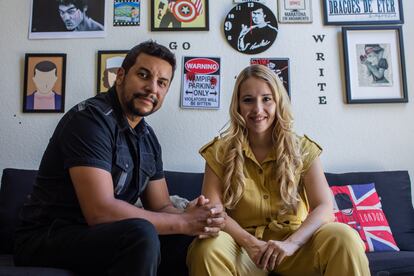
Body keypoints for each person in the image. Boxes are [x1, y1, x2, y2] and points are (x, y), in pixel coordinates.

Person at [14, 41, 225, 276]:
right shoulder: (89, 120)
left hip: (102, 236)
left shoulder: (148, 138)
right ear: (121, 76)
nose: (152, 88)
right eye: (144, 75)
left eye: (162, 83)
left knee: (188, 240)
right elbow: (100, 211)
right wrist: (183, 223)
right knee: (141, 234)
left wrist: (191, 217)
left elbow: (161, 206)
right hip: (48, 236)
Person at [187, 64, 370, 275]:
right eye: (248, 100)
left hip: (296, 248)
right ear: (237, 106)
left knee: (343, 236)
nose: (257, 109)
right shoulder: (219, 152)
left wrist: (292, 243)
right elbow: (214, 212)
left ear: (278, 103)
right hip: (242, 249)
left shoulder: (303, 149)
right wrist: (249, 242)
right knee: (207, 247)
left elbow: (324, 207)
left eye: (267, 99)